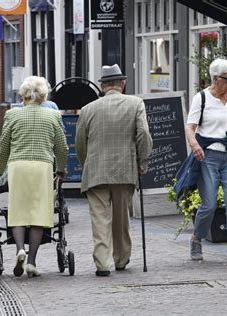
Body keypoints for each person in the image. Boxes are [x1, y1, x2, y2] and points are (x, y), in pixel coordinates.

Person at [75, 64, 153, 277]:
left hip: (95, 171)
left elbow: (80, 142)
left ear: (102, 86)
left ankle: (102, 263)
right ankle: (121, 258)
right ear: (123, 84)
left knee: (100, 218)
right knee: (121, 218)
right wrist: (142, 163)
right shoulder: (135, 103)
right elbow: (143, 135)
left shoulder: (89, 108)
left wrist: (86, 163)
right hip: (124, 170)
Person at [0, 76, 68, 278]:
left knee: (18, 211)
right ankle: (32, 262)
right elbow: (62, 147)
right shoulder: (53, 116)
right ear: (44, 96)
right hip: (42, 167)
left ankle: (19, 249)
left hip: (18, 167)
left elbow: (3, 148)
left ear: (23, 96)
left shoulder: (12, 115)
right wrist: (61, 168)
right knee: (39, 214)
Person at [185, 58, 227, 262]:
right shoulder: (201, 98)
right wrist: (195, 145)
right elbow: (190, 127)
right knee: (209, 204)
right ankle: (196, 238)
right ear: (215, 79)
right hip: (209, 156)